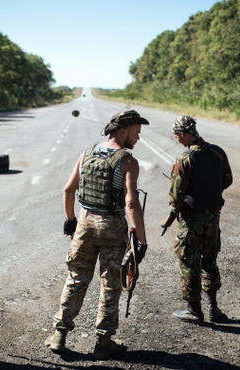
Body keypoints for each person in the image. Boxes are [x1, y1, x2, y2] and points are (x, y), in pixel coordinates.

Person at [45, 110, 149, 359]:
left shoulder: (87, 153)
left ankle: (59, 335)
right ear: (123, 131)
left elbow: (69, 189)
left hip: (85, 220)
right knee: (111, 282)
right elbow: (131, 203)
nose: (137, 139)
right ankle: (103, 342)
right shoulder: (128, 161)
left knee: (76, 278)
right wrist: (142, 240)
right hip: (111, 225)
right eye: (136, 133)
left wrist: (71, 221)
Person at [168, 115, 233, 324]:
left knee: (189, 263)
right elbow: (227, 179)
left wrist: (182, 204)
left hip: (192, 220)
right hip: (213, 218)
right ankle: (214, 309)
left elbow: (176, 196)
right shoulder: (217, 152)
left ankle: (194, 310)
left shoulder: (185, 159)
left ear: (186, 133)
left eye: (177, 135)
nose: (177, 138)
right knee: (210, 261)